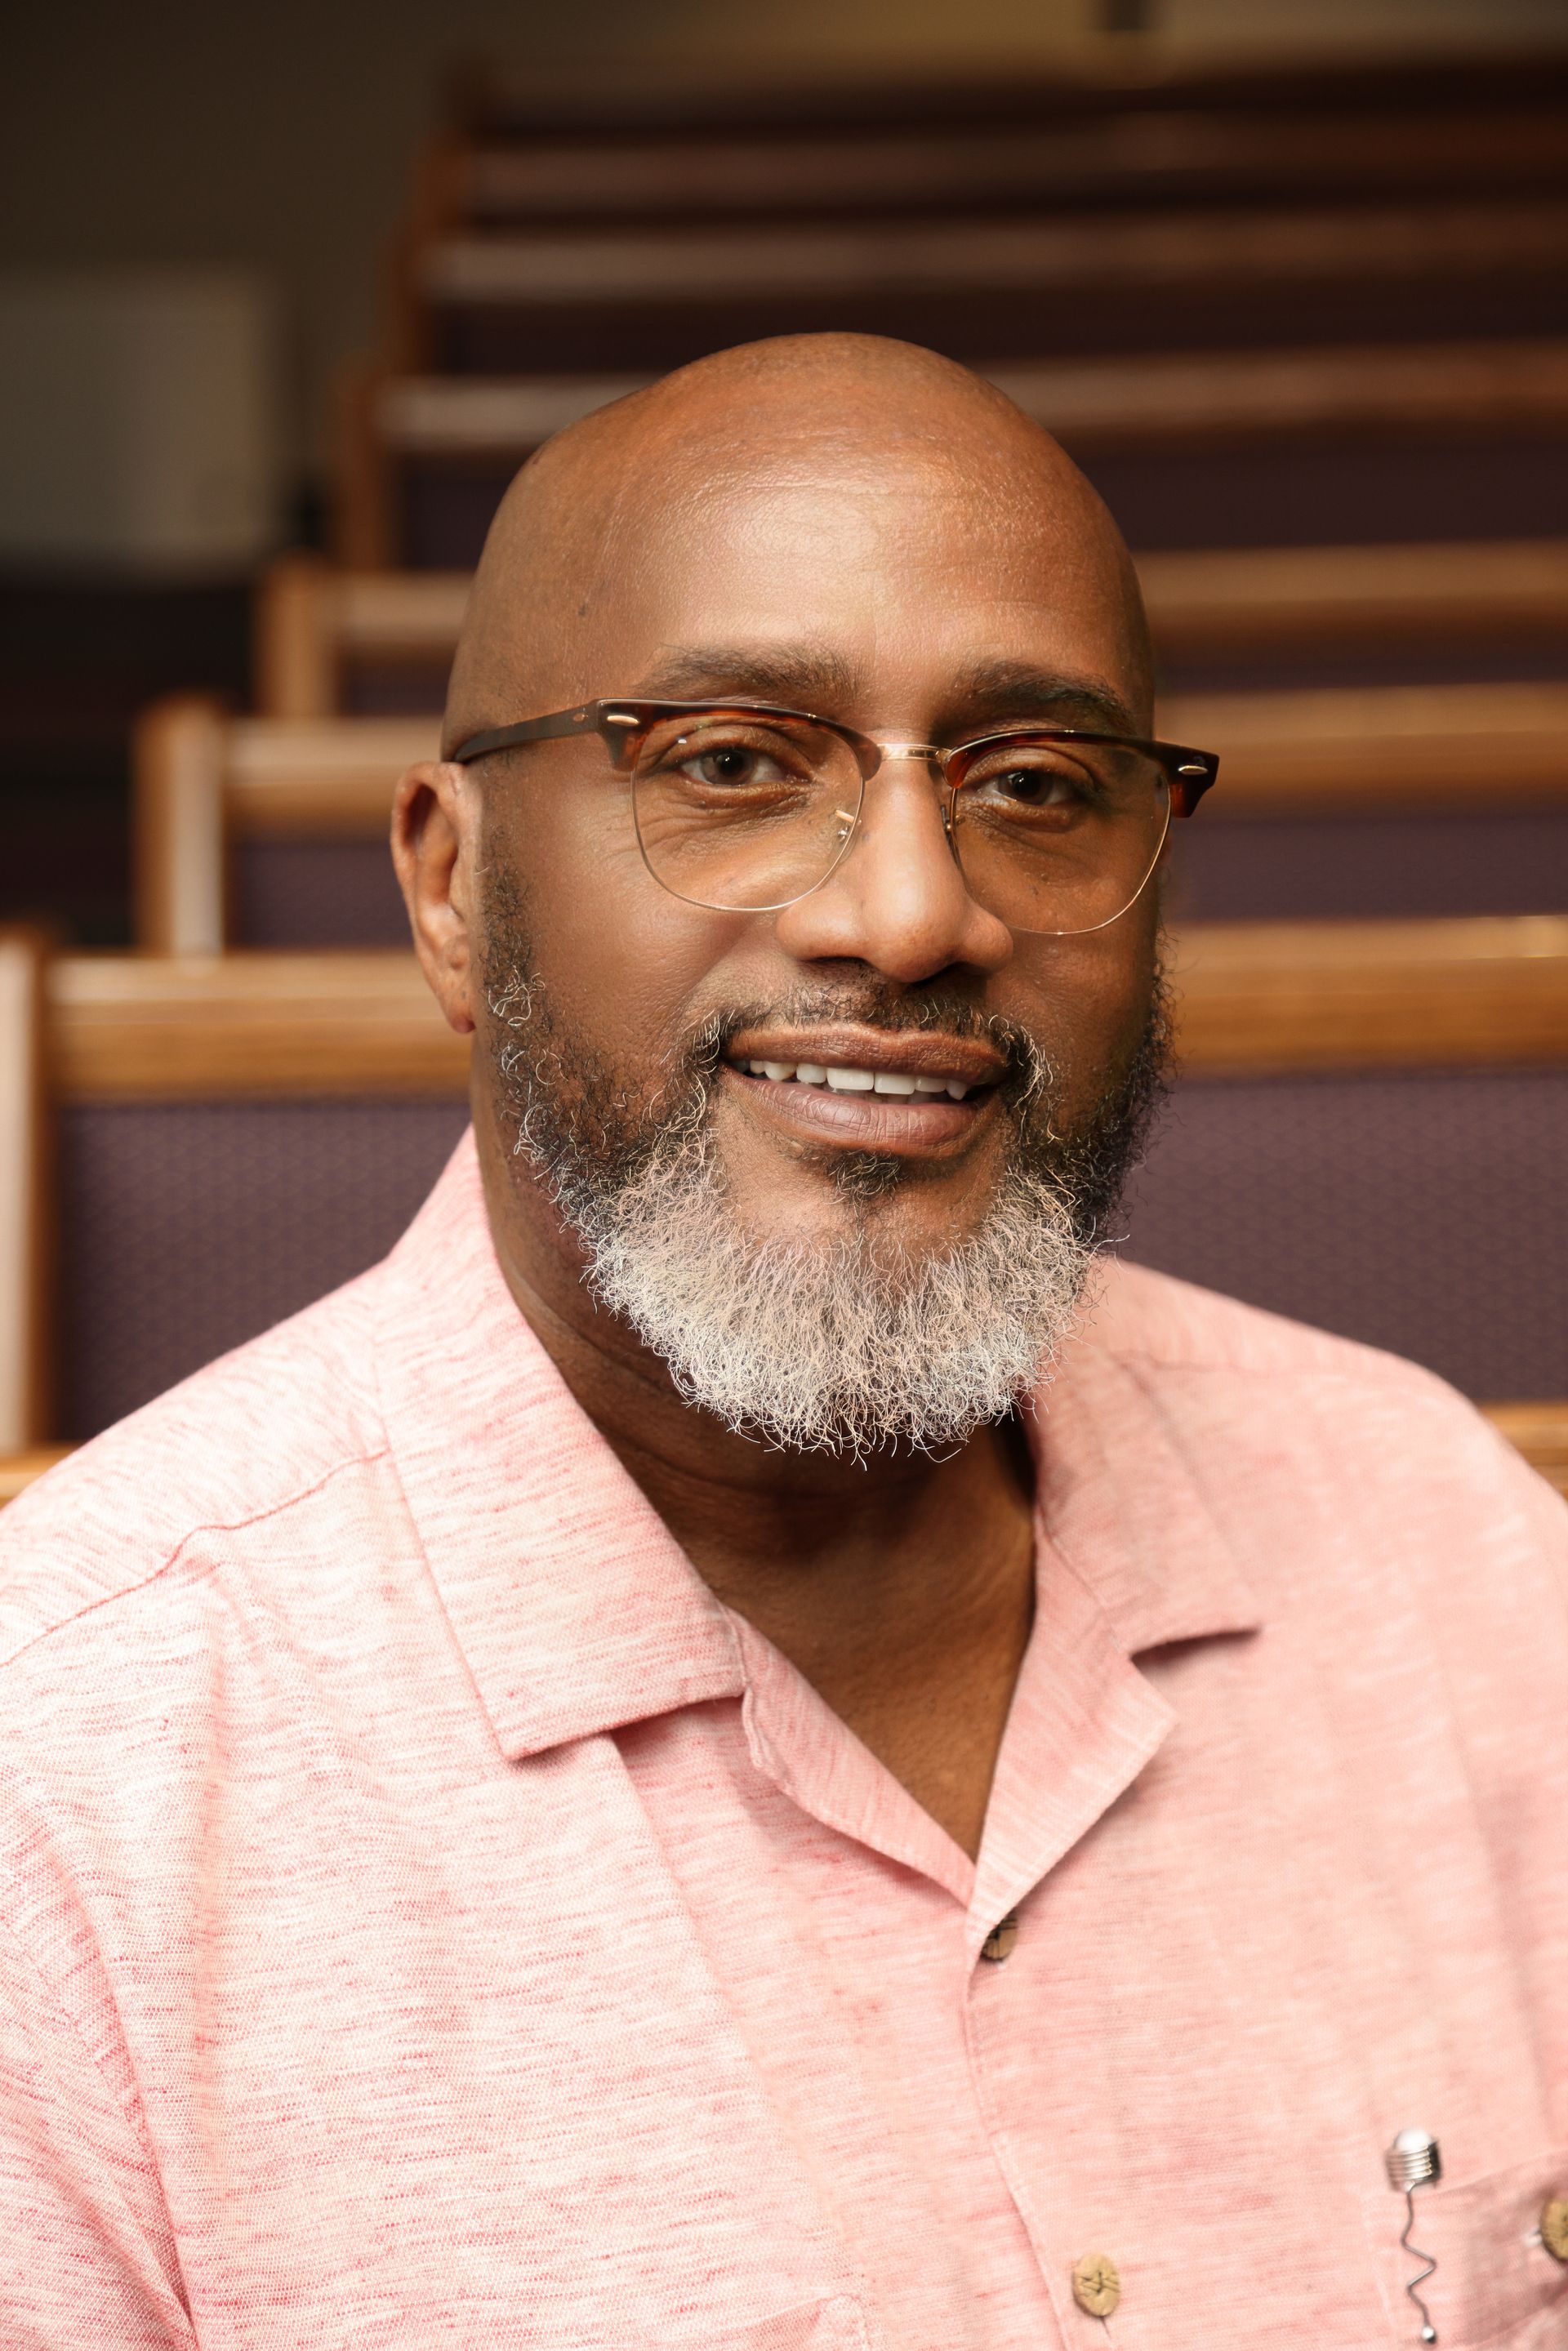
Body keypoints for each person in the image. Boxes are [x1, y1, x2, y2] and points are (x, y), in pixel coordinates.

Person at [2, 335, 1565, 2351]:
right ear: (453, 887)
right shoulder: (71, 1767)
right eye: (732, 763)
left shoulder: (1444, 1544)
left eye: (1032, 785)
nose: (912, 914)